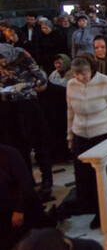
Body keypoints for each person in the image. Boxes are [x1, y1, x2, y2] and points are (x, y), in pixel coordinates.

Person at [66, 57, 107, 229]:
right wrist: (70, 136)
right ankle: (98, 212)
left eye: (84, 74)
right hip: (81, 136)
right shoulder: (71, 85)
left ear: (91, 70)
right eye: (77, 74)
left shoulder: (106, 83)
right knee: (87, 178)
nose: (80, 78)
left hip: (104, 134)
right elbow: (70, 111)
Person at [0, 44, 52, 197]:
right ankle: (27, 181)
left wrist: (24, 85)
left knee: (39, 142)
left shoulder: (22, 56)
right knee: (19, 146)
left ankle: (47, 179)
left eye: (3, 59)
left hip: (28, 104)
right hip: (9, 106)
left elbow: (41, 79)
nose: (2, 62)